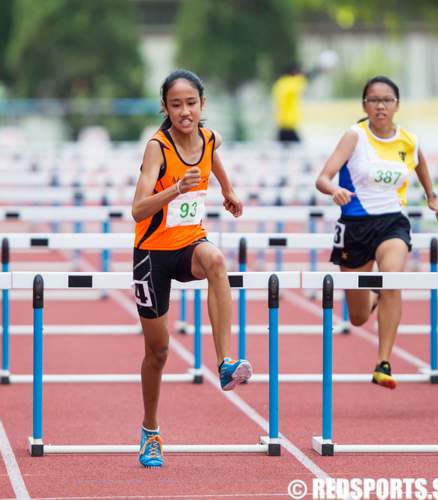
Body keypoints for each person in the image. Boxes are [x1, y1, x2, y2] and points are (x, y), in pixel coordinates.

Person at [131, 69, 251, 468]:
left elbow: (214, 162)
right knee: (159, 351)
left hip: (189, 246)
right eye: (176, 104)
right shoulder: (157, 147)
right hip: (152, 256)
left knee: (216, 260)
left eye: (192, 103)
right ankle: (150, 430)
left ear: (202, 105)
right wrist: (175, 189)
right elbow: (137, 210)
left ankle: (225, 363)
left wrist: (229, 192)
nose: (185, 111)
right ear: (165, 107)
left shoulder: (209, 138)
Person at [315, 76, 438, 389]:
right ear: (365, 105)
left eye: (387, 100)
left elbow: (420, 164)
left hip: (392, 223)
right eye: (374, 100)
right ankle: (371, 300)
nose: (381, 106)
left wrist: (431, 196)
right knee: (358, 316)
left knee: (392, 279)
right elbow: (322, 178)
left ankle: (383, 361)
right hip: (355, 227)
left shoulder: (408, 141)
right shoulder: (354, 137)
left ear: (397, 105)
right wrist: (334, 190)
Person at [272, 51, 339, 143]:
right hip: (287, 128)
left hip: (284, 127)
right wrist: (319, 69)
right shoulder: (288, 84)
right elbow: (306, 78)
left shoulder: (281, 83)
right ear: (294, 73)